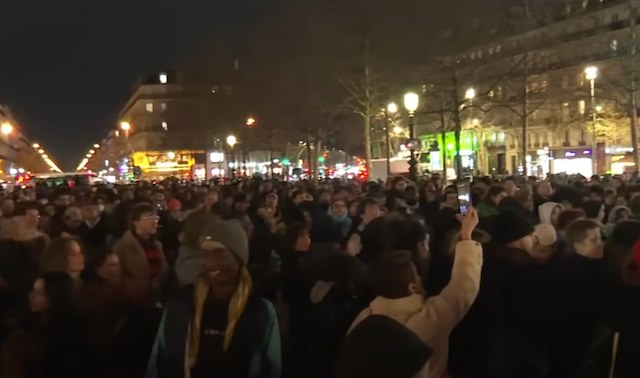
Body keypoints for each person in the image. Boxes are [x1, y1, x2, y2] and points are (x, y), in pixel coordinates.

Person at [348, 208, 482, 378]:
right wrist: (467, 236)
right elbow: (463, 288)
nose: (428, 249)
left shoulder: (366, 316)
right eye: (425, 243)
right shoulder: (423, 321)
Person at [146, 220, 281, 378]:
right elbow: (157, 362)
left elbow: (271, 368)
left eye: (219, 254)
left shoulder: (259, 311)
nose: (211, 262)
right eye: (207, 255)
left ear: (238, 260)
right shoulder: (181, 305)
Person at [113, 203, 166, 303]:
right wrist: (138, 287)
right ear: (136, 223)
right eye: (149, 218)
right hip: (134, 300)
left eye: (156, 218)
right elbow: (117, 276)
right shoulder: (123, 245)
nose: (154, 222)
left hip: (156, 297)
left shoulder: (156, 244)